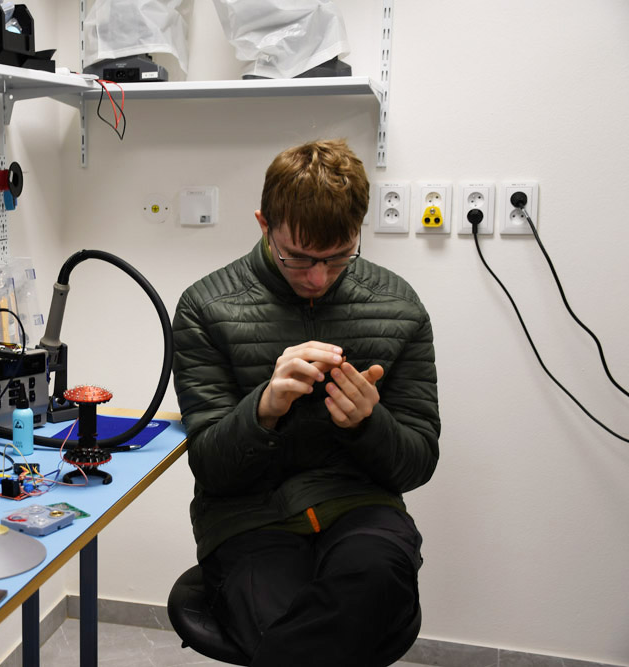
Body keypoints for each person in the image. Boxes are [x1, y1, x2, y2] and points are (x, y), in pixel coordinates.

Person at [171, 139, 440, 666]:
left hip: (361, 507)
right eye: (297, 258)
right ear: (263, 224)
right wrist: (264, 410)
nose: (317, 278)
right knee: (296, 622)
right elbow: (210, 467)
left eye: (338, 258)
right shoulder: (206, 307)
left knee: (373, 580)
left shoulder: (399, 306)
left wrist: (368, 424)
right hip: (248, 518)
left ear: (358, 230)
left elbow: (418, 463)